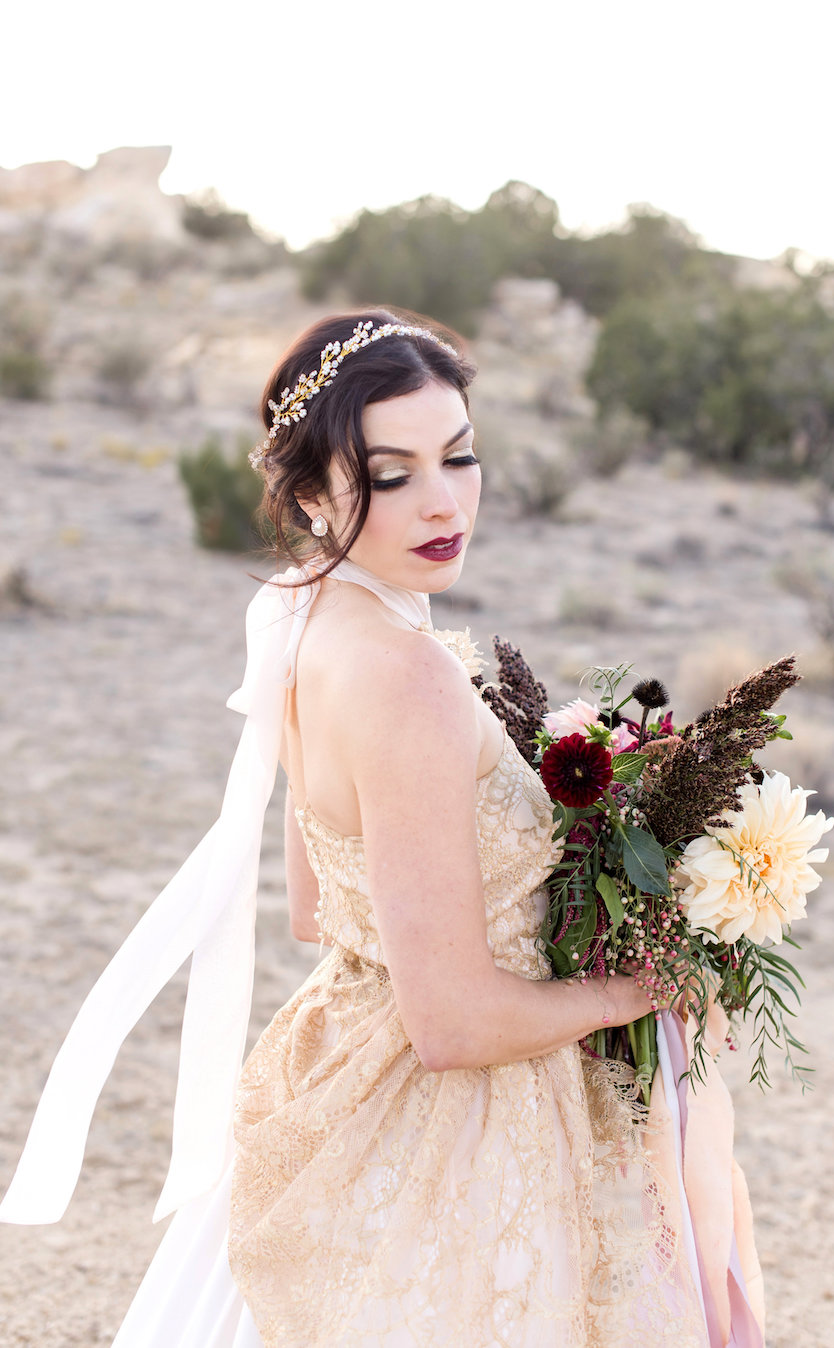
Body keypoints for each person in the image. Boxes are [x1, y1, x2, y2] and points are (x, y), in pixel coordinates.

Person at [1, 310, 764, 1347]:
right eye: (391, 473)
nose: (443, 500)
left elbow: (321, 905)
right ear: (312, 495)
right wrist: (637, 985)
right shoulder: (403, 673)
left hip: (349, 1055)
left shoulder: (311, 623)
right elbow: (449, 1023)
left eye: (458, 455)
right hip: (458, 1125)